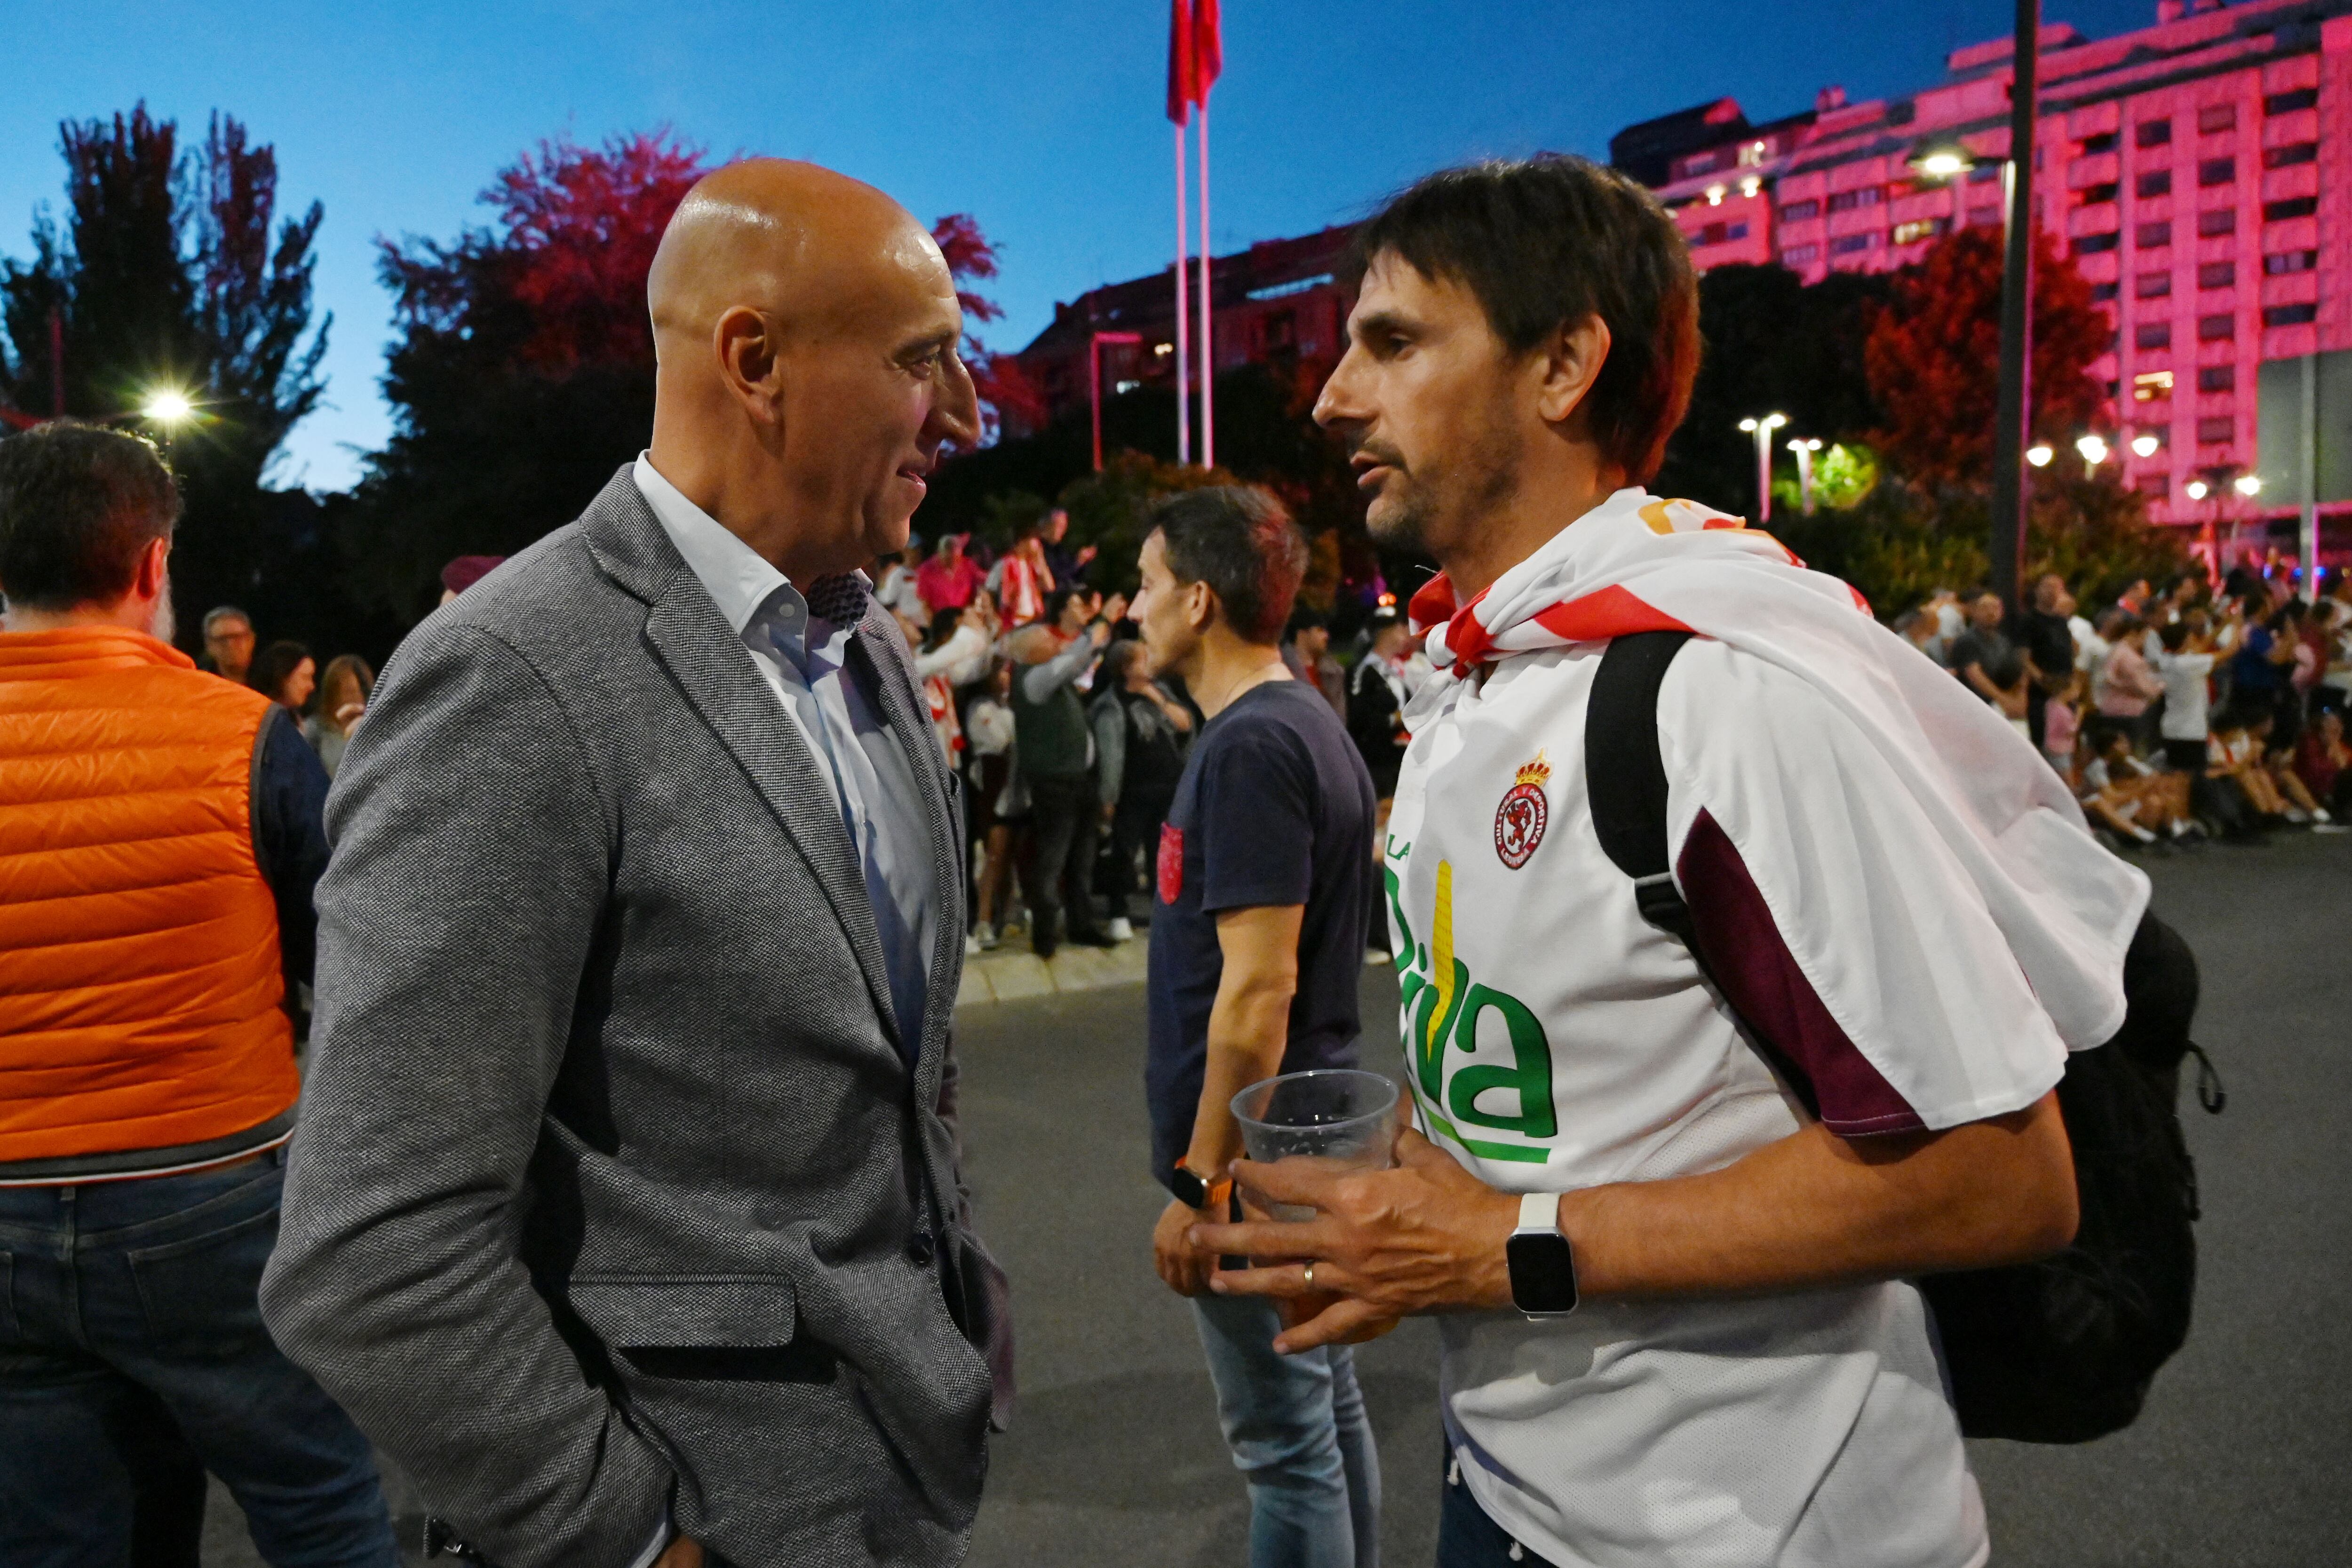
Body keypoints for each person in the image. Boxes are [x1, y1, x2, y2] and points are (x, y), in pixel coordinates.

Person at [1192, 155, 2126, 1568]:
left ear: (1564, 361)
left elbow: (1997, 1176)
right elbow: (1566, 1093)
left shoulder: (1716, 694)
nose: (1332, 397)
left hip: (1753, 1532)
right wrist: (1413, 1193)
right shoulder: (1473, 680)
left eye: (1391, 341)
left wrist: (1500, 1246)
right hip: (1508, 1488)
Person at [257, 159, 1011, 1568]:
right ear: (756, 360)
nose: (966, 415)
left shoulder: (877, 655)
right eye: (927, 361)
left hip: (898, 1482)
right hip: (697, 1514)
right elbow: (372, 1253)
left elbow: (899, 1068)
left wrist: (955, 1293)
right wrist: (634, 1539)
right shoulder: (509, 677)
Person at [0, 421, 398, 1568]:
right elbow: (356, 962)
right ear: (151, 567)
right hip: (205, 1190)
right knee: (318, 1497)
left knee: (60, 1533)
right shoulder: (246, 739)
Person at [1133, 486, 1382, 1568]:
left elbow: (1255, 992)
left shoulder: (1250, 748)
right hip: (1299, 1130)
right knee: (1323, 1415)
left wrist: (1202, 1182)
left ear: (1198, 599)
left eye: (1145, 584)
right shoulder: (1303, 723)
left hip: (1261, 1147)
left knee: (1286, 1446)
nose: (1129, 606)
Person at [1009, 585, 1126, 957]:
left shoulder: (1051, 677)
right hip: (1056, 780)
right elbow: (1073, 660)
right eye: (1043, 640)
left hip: (1077, 777)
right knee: (1055, 857)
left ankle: (1081, 924)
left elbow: (1078, 661)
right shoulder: (1034, 678)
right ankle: (1046, 933)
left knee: (1081, 858)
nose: (1051, 643)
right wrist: (1104, 619)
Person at [1090, 637, 1195, 943]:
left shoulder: (1159, 692)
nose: (1150, 663)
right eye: (1142, 659)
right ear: (1125, 668)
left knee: (1162, 854)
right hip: (1132, 791)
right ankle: (1118, 912)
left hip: (1168, 787)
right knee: (1124, 852)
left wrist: (1157, 698)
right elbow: (1111, 754)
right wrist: (1108, 797)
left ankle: (1163, 911)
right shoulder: (1111, 705)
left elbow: (1185, 724)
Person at [963, 659, 1022, 952]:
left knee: (1013, 849)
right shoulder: (980, 708)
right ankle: (984, 919)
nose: (1004, 679)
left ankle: (1009, 912)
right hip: (993, 779)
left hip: (1017, 780)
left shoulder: (1016, 707)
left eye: (1008, 673)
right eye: (1000, 673)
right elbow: (1001, 743)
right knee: (995, 851)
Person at [1344, 605, 1415, 798]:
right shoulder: (1364, 672)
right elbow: (1359, 720)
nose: (1405, 631)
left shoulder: (1394, 672)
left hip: (1401, 763)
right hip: (1378, 767)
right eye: (1400, 626)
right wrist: (1396, 719)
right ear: (1387, 632)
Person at [1947, 588, 2031, 734]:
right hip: (1978, 710)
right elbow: (1974, 674)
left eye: (1996, 608)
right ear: (1973, 612)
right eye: (1985, 608)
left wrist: (2020, 700)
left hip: (2006, 708)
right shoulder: (1967, 641)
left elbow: (2019, 673)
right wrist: (2004, 701)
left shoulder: (2003, 642)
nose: (1991, 612)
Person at [2013, 572, 2076, 751]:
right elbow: (2022, 656)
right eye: (2048, 587)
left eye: (2058, 588)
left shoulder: (2061, 621)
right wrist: (2042, 679)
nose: (2053, 592)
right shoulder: (2029, 621)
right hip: (2042, 692)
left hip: (2065, 688)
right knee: (2043, 741)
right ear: (2038, 591)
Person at [2154, 619, 2217, 773]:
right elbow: (2227, 652)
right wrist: (2237, 625)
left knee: (2176, 775)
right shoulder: (2188, 664)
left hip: (2172, 728)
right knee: (2191, 779)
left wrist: (2222, 626)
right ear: (2184, 640)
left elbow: (2200, 649)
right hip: (2190, 732)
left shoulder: (2167, 661)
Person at [304, 653, 374, 778]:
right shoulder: (314, 730)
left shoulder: (373, 731)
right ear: (333, 693)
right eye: (349, 691)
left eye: (360, 692)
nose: (356, 699)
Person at [1281, 608, 1347, 719]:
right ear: (1302, 634)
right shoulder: (1283, 671)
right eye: (1320, 630)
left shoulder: (1333, 672)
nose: (1326, 636)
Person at [917, 529, 985, 613]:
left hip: (965, 615)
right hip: (940, 617)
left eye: (957, 557)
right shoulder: (926, 570)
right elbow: (924, 603)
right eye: (949, 558)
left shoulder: (967, 564)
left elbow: (984, 581)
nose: (954, 562)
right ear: (941, 553)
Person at [248, 638, 316, 714]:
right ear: (283, 677)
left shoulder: (295, 720)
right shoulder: (252, 718)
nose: (312, 686)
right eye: (305, 677)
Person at [1040, 505, 1096, 589]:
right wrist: (1078, 562)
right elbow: (1056, 577)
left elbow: (1074, 576)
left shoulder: (1059, 549)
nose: (1063, 531)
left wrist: (1084, 561)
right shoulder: (1038, 548)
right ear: (1048, 526)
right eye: (1060, 526)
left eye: (1065, 527)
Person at [201, 604, 256, 682]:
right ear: (209, 645)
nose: (230, 644)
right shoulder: (200, 684)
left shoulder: (272, 681)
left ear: (251, 640)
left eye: (237, 637)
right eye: (222, 639)